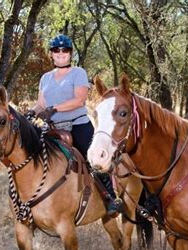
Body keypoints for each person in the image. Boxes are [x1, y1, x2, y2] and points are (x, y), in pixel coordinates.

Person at [29, 34, 121, 217]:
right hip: (54, 128)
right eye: (56, 50)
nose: (61, 53)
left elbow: (79, 100)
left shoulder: (78, 73)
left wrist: (53, 108)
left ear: (70, 53)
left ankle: (110, 197)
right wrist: (32, 112)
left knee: (93, 160)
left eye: (65, 50)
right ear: (51, 54)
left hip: (78, 125)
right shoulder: (45, 78)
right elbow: (41, 104)